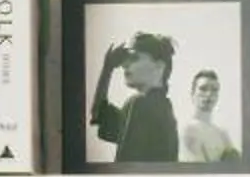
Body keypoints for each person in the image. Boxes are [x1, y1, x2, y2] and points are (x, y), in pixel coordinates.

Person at [90, 29, 178, 164]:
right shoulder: (161, 107)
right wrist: (108, 68)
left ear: (159, 66)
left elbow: (126, 166)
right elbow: (99, 115)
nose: (124, 65)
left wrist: (108, 68)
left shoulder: (141, 105)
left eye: (135, 58)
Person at [180, 67, 238, 165]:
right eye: (203, 89)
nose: (209, 94)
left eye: (214, 90)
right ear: (193, 93)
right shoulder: (189, 131)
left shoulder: (222, 134)